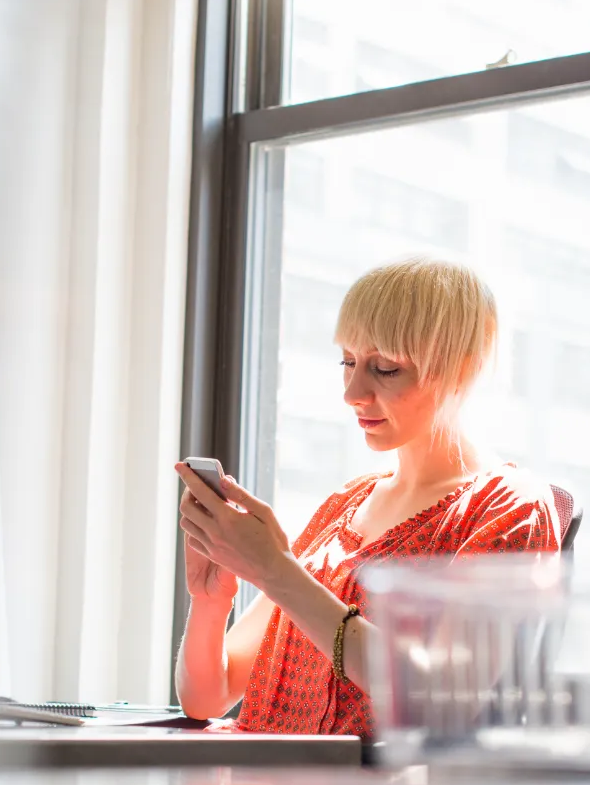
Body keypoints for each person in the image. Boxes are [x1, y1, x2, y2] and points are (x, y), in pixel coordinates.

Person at [173, 257, 560, 737]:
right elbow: (207, 695)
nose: (353, 392)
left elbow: (441, 697)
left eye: (385, 368)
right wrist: (212, 599)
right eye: (348, 363)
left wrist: (276, 571)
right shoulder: (345, 505)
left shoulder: (508, 507)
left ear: (463, 369)